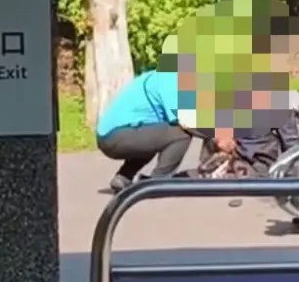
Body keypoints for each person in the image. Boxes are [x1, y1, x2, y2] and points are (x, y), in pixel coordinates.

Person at [95, 69, 238, 193]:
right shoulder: (170, 79)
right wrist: (219, 137)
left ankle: (124, 177)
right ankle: (159, 183)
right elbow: (186, 121)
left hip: (119, 133)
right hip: (114, 137)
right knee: (179, 133)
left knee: (159, 134)